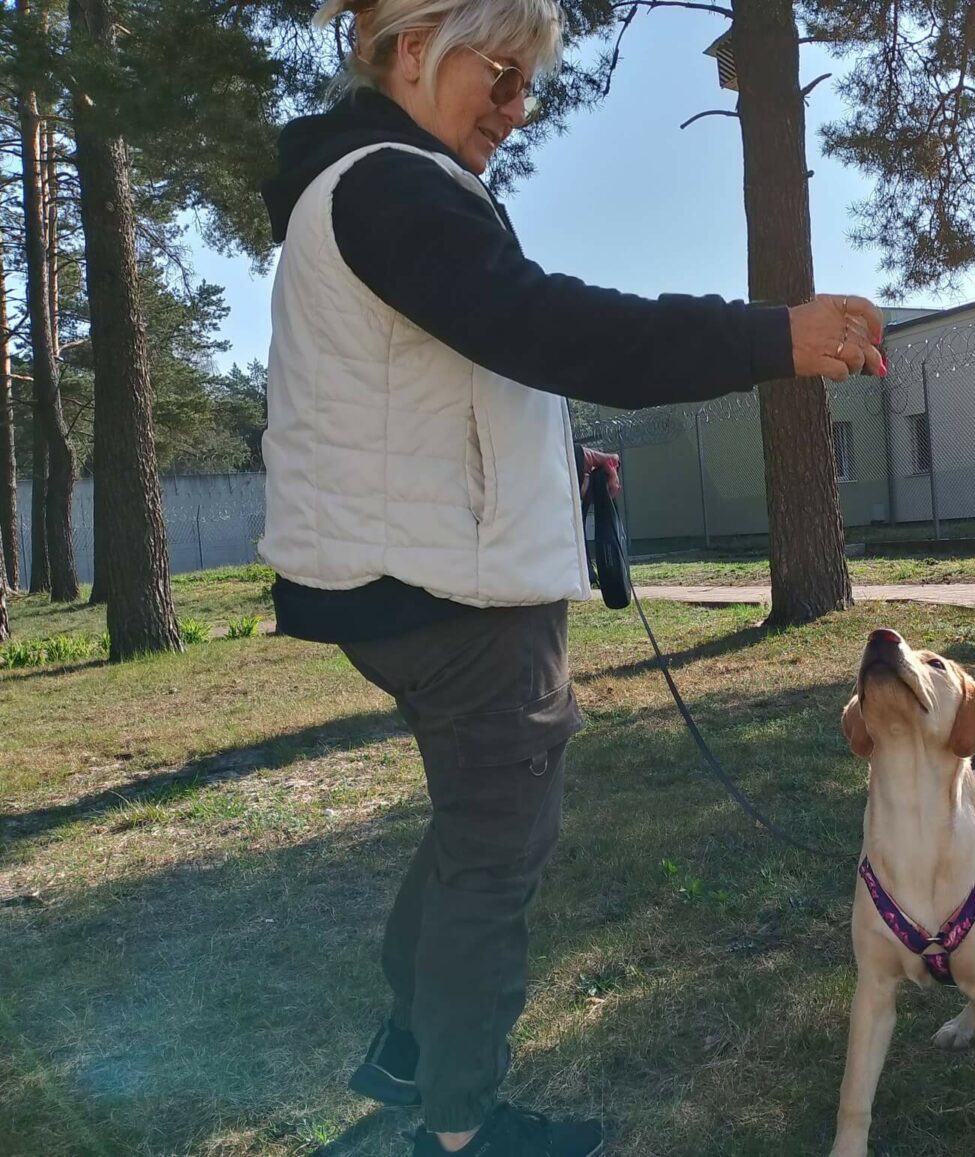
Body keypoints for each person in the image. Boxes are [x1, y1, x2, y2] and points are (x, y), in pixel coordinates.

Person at [257, 0, 885, 1153]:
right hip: (447, 587)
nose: (516, 107)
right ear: (410, 49)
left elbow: (466, 371)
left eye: (526, 83)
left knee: (475, 822)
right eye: (499, 74)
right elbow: (555, 329)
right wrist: (774, 337)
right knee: (499, 847)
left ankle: (410, 1050)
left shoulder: (358, 182)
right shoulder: (392, 185)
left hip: (408, 570)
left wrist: (559, 457)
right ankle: (459, 1124)